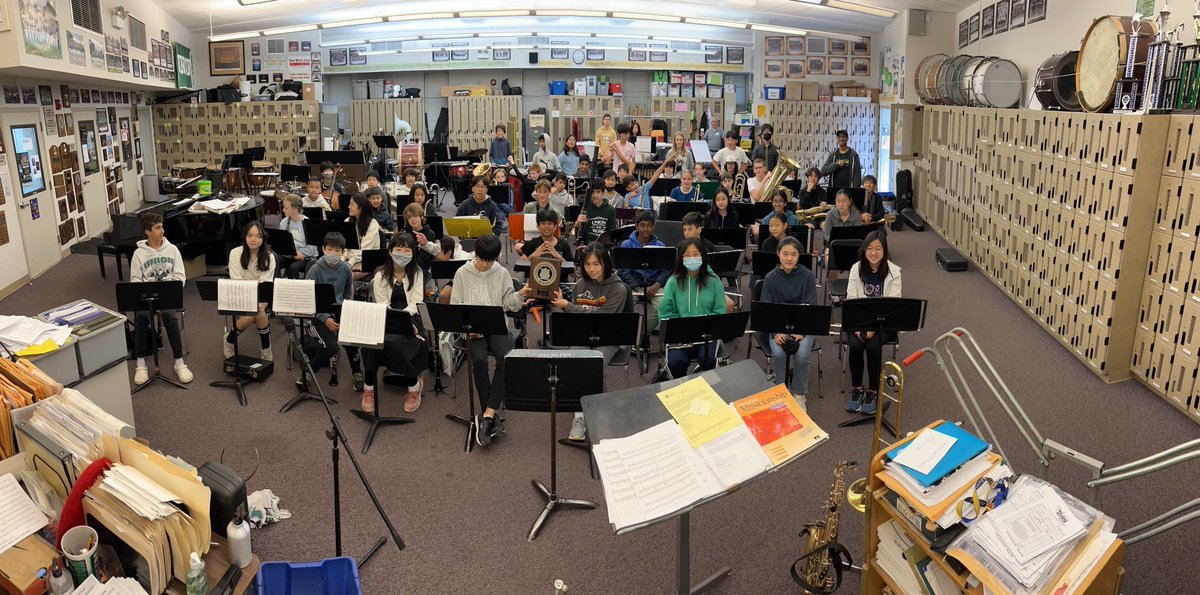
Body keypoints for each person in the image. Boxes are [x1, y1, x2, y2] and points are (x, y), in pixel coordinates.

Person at [449, 234, 530, 447]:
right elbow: (455, 306)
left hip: (496, 325)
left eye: (490, 260)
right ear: (475, 254)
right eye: (482, 259)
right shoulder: (461, 273)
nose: (485, 264)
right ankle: (489, 414)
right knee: (479, 361)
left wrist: (520, 295)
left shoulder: (502, 273)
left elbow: (509, 305)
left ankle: (487, 415)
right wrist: (467, 331)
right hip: (472, 328)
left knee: (506, 358)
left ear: (497, 257)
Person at [549, 243, 627, 441]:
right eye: (587, 264)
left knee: (593, 364)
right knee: (578, 364)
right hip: (582, 334)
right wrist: (569, 308)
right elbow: (577, 319)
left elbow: (601, 318)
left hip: (608, 338)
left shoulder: (619, 288)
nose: (591, 269)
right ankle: (580, 416)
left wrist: (568, 307)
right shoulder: (581, 285)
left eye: (596, 264)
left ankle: (598, 412)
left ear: (605, 264)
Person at [362, 233, 430, 414]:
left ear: (413, 253)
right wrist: (396, 319)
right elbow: (382, 303)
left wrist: (405, 322)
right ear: (390, 251)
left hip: (411, 315)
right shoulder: (380, 274)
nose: (402, 253)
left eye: (407, 250)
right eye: (398, 249)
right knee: (371, 344)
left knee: (402, 342)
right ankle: (368, 388)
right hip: (386, 314)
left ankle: (413, 386)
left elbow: (416, 302)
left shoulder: (417, 273)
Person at [129, 213, 192, 386]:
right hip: (146, 297)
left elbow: (180, 276)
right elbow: (135, 280)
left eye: (162, 227)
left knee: (170, 317)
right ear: (147, 231)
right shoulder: (138, 254)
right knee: (141, 317)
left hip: (168, 295)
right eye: (158, 228)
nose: (162, 231)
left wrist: (169, 289)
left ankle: (179, 362)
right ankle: (141, 364)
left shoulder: (172, 250)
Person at [845, 230, 902, 415]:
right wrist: (861, 326)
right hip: (859, 321)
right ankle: (857, 388)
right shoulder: (856, 268)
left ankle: (873, 391)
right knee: (854, 345)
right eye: (869, 248)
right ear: (864, 250)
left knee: (872, 347)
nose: (873, 252)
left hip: (884, 322)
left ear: (884, 250)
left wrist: (873, 327)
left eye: (878, 248)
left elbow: (893, 305)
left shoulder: (894, 272)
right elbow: (851, 299)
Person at [301, 232, 362, 390]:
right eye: (330, 249)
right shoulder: (315, 270)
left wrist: (345, 313)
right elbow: (309, 299)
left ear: (343, 252)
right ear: (323, 249)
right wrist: (325, 318)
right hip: (317, 315)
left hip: (340, 311)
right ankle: (308, 372)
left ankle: (357, 372)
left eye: (337, 251)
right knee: (331, 346)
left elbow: (348, 291)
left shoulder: (346, 269)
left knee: (352, 341)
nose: (333, 254)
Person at [659, 238, 727, 379]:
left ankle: (709, 393)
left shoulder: (714, 281)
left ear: (703, 256)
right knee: (675, 362)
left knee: (709, 359)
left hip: (706, 335)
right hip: (680, 335)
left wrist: (705, 327)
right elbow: (665, 312)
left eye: (695, 254)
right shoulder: (673, 281)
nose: (692, 258)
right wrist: (682, 329)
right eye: (687, 255)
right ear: (681, 258)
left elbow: (720, 311)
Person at [761, 236, 817, 401]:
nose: (789, 258)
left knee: (801, 355)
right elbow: (766, 309)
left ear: (799, 255)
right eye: (785, 254)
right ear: (778, 254)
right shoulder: (770, 278)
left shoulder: (807, 276)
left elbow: (811, 306)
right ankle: (781, 392)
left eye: (793, 254)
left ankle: (799, 394)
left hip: (803, 328)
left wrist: (801, 332)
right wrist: (776, 333)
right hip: (777, 328)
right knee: (778, 354)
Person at [225, 220, 277, 361]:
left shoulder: (269, 256)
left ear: (263, 238)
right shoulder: (235, 253)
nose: (253, 239)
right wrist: (251, 299)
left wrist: (259, 302)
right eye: (249, 235)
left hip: (261, 297)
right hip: (240, 295)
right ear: (245, 237)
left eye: (258, 236)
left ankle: (231, 339)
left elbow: (266, 282)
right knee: (253, 313)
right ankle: (264, 347)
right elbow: (236, 280)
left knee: (258, 309)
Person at [619, 211, 671, 346]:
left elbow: (665, 270)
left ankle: (644, 333)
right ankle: (629, 334)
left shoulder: (660, 245)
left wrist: (658, 284)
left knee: (665, 306)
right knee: (623, 304)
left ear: (653, 227)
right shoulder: (626, 245)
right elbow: (624, 271)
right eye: (642, 225)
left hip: (654, 286)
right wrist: (637, 288)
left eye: (649, 226)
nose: (645, 229)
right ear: (636, 226)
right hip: (634, 286)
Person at [279, 194, 318, 278]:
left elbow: (312, 251)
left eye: (286, 208)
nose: (283, 210)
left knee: (293, 268)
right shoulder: (284, 222)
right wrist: (294, 253)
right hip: (290, 255)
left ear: (295, 210)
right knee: (274, 260)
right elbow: (282, 244)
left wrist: (300, 253)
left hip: (305, 258)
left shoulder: (308, 224)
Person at [346, 193, 383, 274]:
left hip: (367, 261)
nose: (349, 207)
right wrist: (341, 261)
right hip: (349, 260)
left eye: (352, 205)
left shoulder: (372, 224)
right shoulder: (347, 221)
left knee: (348, 275)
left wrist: (349, 264)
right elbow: (344, 246)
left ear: (360, 208)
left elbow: (364, 251)